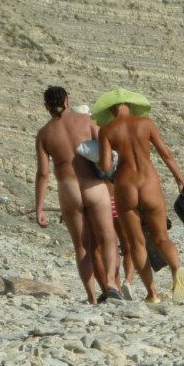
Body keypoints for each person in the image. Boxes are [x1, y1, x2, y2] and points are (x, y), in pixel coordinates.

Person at [95, 87, 184, 304]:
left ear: (110, 109)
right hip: (149, 183)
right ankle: (177, 269)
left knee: (136, 243)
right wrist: (179, 179)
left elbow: (107, 167)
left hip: (125, 185)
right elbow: (165, 153)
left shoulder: (106, 130)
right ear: (130, 104)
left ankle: (152, 294)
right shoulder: (146, 124)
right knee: (161, 237)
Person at [35, 86, 122, 304]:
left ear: (45, 106)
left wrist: (39, 207)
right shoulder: (85, 121)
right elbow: (104, 151)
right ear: (67, 100)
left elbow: (43, 174)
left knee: (82, 246)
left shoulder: (44, 134)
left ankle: (92, 297)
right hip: (94, 186)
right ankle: (111, 284)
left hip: (68, 190)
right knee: (108, 238)